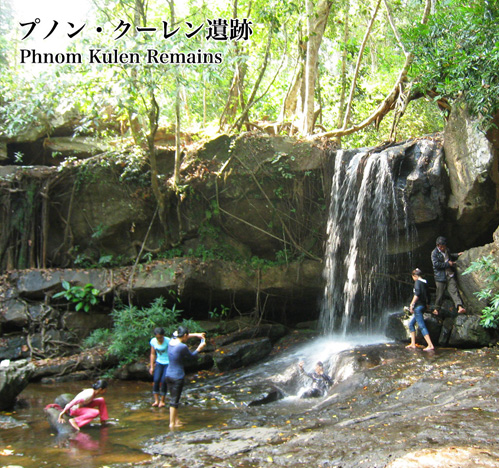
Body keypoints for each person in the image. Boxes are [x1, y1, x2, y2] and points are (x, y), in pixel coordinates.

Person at [165, 326, 206, 428]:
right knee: (174, 401)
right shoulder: (181, 347)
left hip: (168, 374)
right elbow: (191, 357)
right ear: (184, 336)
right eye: (187, 336)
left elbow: (182, 335)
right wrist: (199, 349)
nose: (187, 338)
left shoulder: (171, 341)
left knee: (174, 398)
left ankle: (177, 421)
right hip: (177, 376)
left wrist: (196, 335)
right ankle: (172, 424)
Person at [431, 236, 466, 315]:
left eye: (444, 246)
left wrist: (457, 254)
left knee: (454, 291)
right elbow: (436, 264)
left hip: (449, 275)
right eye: (442, 246)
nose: (443, 248)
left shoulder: (447, 250)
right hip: (440, 276)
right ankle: (436, 309)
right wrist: (448, 264)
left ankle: (460, 307)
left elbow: (450, 255)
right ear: (438, 245)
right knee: (440, 294)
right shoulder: (434, 253)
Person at [405, 268, 435, 351]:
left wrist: (412, 304)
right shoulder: (425, 282)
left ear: (415, 276)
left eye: (413, 277)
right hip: (423, 306)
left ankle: (430, 344)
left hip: (418, 307)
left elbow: (417, 294)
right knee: (411, 324)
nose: (413, 279)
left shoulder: (417, 282)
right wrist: (428, 304)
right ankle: (413, 343)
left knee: (421, 326)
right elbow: (428, 295)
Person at [149, 327, 169, 407]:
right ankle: (156, 400)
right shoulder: (153, 341)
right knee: (156, 380)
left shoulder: (168, 341)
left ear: (163, 335)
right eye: (157, 338)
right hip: (159, 362)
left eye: (160, 337)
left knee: (163, 381)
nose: (159, 339)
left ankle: (162, 401)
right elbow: (153, 354)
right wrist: (152, 366)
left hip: (168, 363)